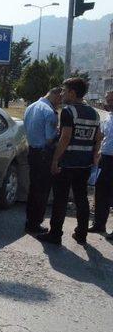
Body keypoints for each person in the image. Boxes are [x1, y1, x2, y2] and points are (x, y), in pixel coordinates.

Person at [37, 78, 102, 245]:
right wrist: (94, 155)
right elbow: (98, 137)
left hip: (67, 163)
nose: (62, 94)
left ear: (72, 93)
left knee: (60, 199)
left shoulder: (68, 111)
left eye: (64, 91)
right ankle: (81, 234)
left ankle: (55, 234)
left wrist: (55, 160)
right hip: (85, 164)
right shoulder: (94, 113)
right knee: (81, 198)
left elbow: (65, 138)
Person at [22, 86, 62, 234]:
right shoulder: (49, 112)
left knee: (33, 188)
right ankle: (35, 223)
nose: (60, 103)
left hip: (32, 151)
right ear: (56, 96)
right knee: (42, 191)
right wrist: (59, 134)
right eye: (60, 99)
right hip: (44, 154)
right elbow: (49, 138)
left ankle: (29, 221)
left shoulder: (31, 107)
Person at [90, 91, 113, 237]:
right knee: (101, 190)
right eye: (108, 100)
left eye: (111, 100)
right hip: (106, 158)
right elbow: (102, 136)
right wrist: (97, 153)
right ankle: (99, 224)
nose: (109, 103)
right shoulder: (108, 117)